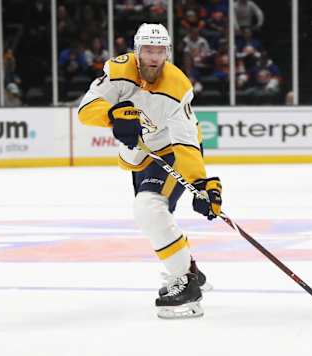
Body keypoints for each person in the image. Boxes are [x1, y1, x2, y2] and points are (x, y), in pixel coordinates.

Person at [77, 23, 222, 319]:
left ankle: (186, 285)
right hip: (140, 154)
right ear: (136, 50)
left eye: (160, 51)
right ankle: (188, 267)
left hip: (171, 150)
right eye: (147, 50)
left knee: (149, 208)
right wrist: (112, 115)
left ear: (167, 53)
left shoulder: (177, 86)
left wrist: (201, 182)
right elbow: (85, 110)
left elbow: (186, 141)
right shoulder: (118, 71)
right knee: (151, 213)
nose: (154, 57)